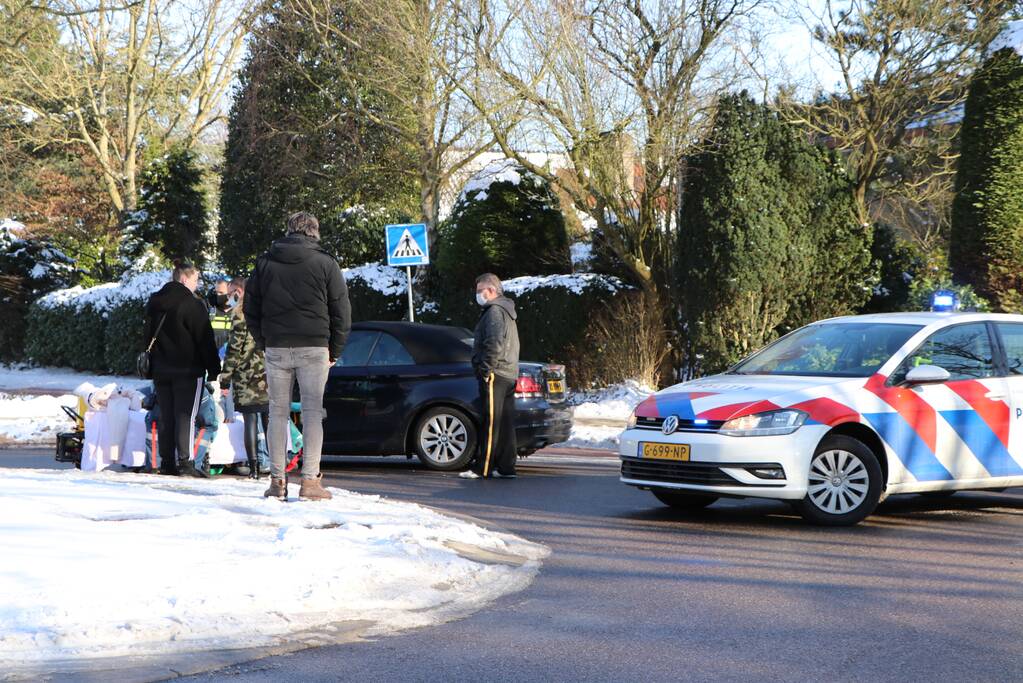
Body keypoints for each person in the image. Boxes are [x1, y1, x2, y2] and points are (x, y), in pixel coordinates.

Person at [245, 211, 351, 501]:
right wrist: (336, 349)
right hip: (315, 346)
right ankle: (310, 482)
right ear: (314, 232)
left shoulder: (265, 263)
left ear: (288, 231)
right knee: (312, 412)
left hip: (277, 346)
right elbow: (341, 311)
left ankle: (277, 481)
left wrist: (264, 340)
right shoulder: (326, 263)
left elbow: (250, 307)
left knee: (276, 413)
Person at [143, 261, 221, 475]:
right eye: (195, 280)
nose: (196, 285)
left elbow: (147, 335)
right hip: (188, 370)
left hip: (161, 369)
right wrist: (213, 369)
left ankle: (167, 461)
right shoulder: (192, 305)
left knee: (167, 414)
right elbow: (204, 339)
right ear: (185, 279)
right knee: (186, 414)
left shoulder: (155, 302)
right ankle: (185, 462)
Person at [461, 273, 520, 480]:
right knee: (504, 423)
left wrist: (486, 370)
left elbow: (493, 344)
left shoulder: (494, 311)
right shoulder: (507, 310)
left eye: (480, 291)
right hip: (509, 373)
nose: (477, 295)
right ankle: (506, 467)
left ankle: (483, 468)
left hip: (496, 373)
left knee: (491, 422)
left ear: (492, 290)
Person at [219, 277, 270, 479]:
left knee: (250, 420)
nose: (229, 297)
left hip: (246, 377)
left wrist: (225, 377)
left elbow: (234, 350)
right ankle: (277, 466)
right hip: (267, 374)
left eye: (231, 292)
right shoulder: (265, 312)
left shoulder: (240, 315)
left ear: (239, 291)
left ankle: (254, 467)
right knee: (269, 422)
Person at [208, 278, 234, 352]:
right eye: (216, 293)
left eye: (221, 293)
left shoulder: (240, 314)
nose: (218, 296)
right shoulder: (209, 312)